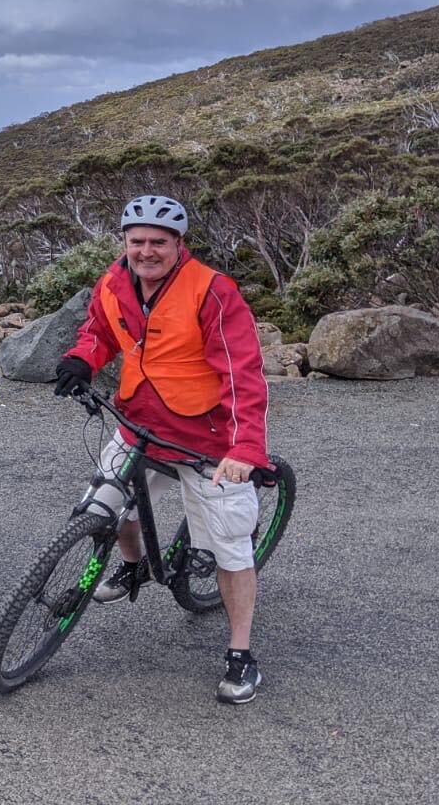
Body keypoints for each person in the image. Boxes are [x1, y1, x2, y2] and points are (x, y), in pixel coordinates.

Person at [54, 194, 270, 704]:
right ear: (124, 243)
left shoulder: (213, 291)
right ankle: (132, 565)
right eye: (137, 242)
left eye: (158, 242)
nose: (146, 251)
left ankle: (240, 652)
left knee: (231, 545)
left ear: (179, 244)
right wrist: (81, 359)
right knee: (103, 505)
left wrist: (245, 449)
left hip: (205, 437)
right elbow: (99, 332)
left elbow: (242, 374)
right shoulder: (113, 282)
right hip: (137, 423)